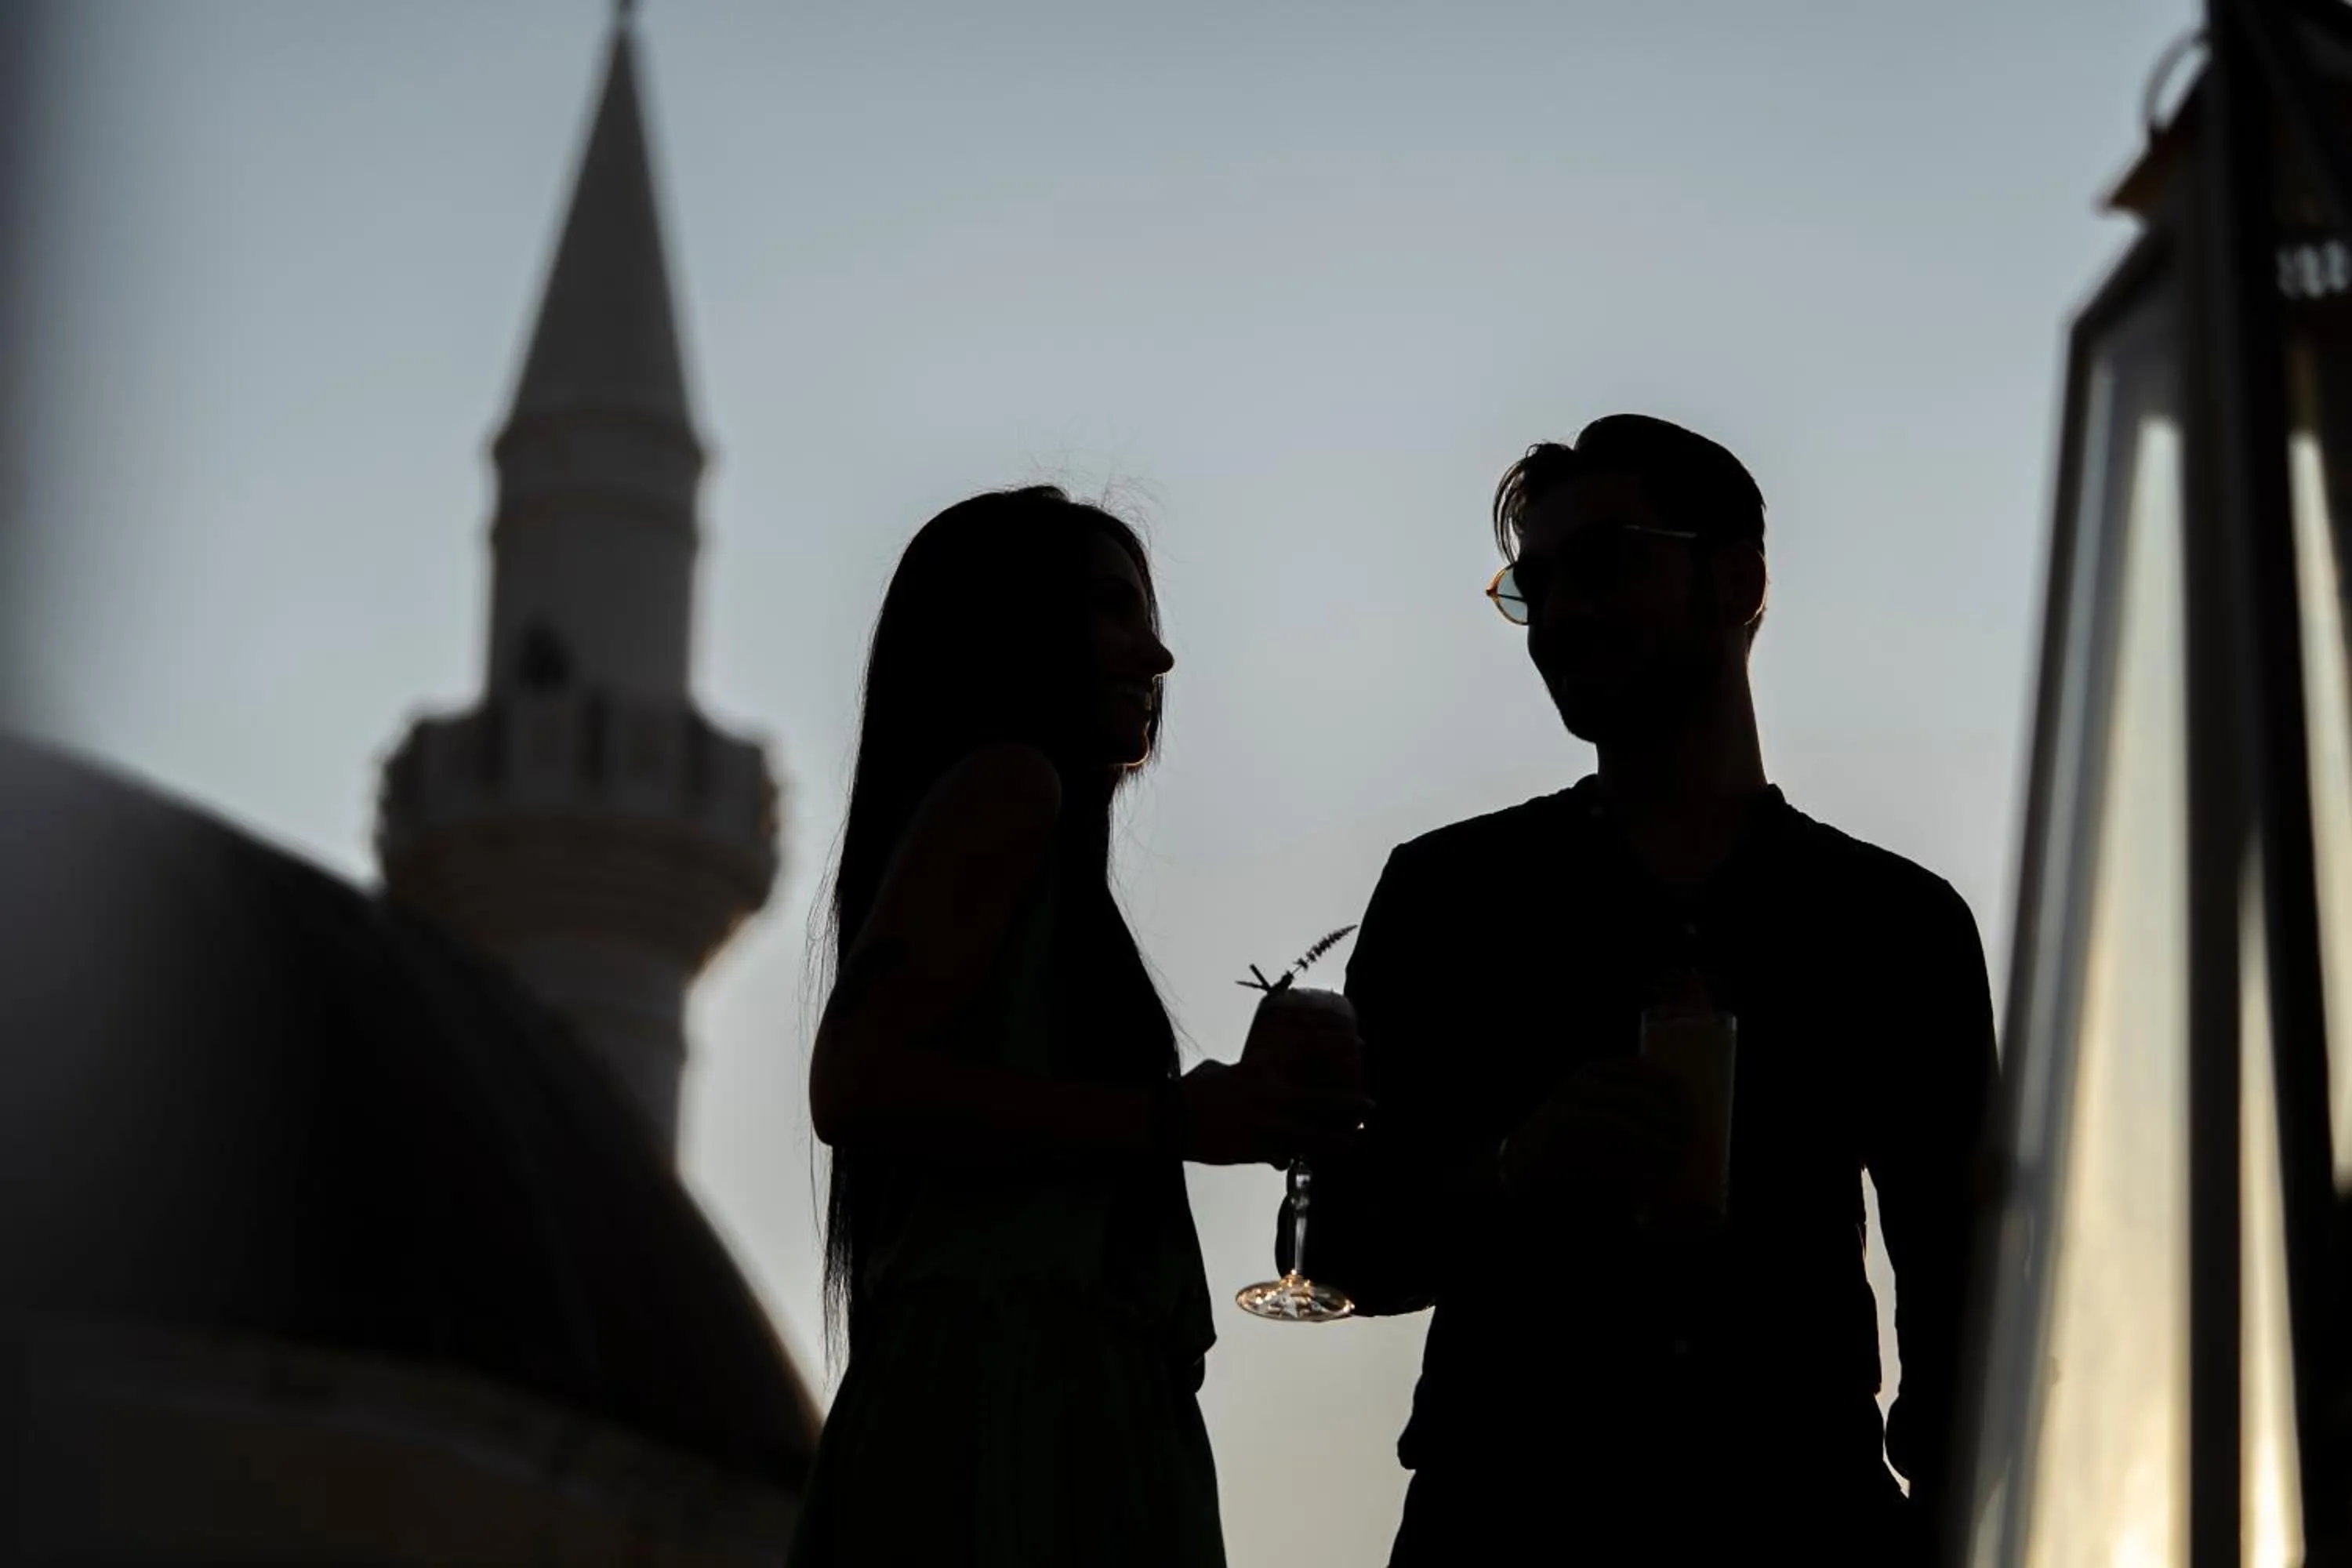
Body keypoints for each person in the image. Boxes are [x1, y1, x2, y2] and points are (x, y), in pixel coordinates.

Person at [1285, 416, 1998, 1563]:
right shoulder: (1450, 895)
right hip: (1510, 1516)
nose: (1561, 612)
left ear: (1739, 580)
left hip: (1803, 1515)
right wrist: (1517, 1168)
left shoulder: (1896, 925)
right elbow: (1344, 1252)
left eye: (1607, 561)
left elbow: (1966, 1303)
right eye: (1537, 583)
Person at [788, 486, 1367, 1568]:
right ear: (1010, 630)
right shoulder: (1012, 788)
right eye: (1111, 612)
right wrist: (1173, 1118)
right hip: (1017, 1402)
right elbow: (857, 1085)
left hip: (1043, 1386)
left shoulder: (1027, 839)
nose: (1158, 658)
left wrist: (1196, 1113)